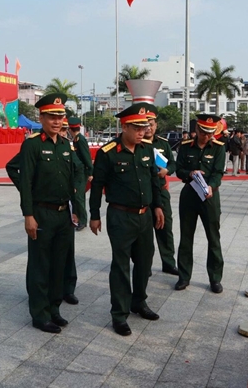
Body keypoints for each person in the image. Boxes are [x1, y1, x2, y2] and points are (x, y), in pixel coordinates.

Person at [90, 105, 165, 336]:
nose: (143, 131)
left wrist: (158, 206)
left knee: (144, 262)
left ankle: (139, 302)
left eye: (145, 127)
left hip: (145, 216)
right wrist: (94, 215)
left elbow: (154, 181)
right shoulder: (108, 152)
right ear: (124, 127)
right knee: (121, 266)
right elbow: (97, 185)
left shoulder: (147, 149)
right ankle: (119, 314)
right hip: (121, 216)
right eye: (137, 128)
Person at [13, 93, 80, 334]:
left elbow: (73, 178)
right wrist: (28, 215)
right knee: (40, 266)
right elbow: (25, 182)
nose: (57, 121)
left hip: (63, 214)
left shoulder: (66, 144)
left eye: (60, 117)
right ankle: (40, 314)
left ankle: (54, 309)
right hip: (41, 213)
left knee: (59, 266)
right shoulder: (32, 144)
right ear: (41, 118)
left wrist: (76, 209)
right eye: (52, 117)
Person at [174, 115, 227, 293]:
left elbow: (218, 172)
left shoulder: (218, 148)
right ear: (197, 130)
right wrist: (189, 173)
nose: (206, 136)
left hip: (210, 197)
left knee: (213, 238)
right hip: (189, 195)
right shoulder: (185, 147)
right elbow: (178, 169)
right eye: (203, 132)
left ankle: (215, 278)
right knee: (186, 237)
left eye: (210, 133)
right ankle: (184, 276)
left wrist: (211, 186)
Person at [142, 106, 178, 276]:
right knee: (145, 231)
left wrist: (167, 170)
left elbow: (173, 163)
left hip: (161, 191)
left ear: (156, 125)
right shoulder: (138, 143)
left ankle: (168, 263)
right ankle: (145, 265)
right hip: (144, 192)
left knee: (165, 227)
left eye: (151, 124)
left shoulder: (163, 143)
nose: (148, 128)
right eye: (145, 125)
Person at [62, 116, 93, 305]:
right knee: (76, 199)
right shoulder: (74, 139)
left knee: (79, 199)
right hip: (75, 174)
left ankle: (83, 220)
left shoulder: (79, 140)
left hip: (81, 173)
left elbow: (85, 157)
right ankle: (80, 218)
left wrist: (90, 172)